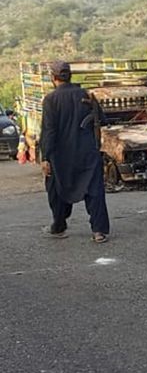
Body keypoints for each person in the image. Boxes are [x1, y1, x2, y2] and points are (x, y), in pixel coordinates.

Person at [40, 60, 110, 243]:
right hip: (87, 151)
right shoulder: (85, 94)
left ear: (53, 77)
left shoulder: (50, 100)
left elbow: (49, 131)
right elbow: (102, 120)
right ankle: (98, 231)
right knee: (94, 190)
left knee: (55, 187)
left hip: (61, 155)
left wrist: (45, 157)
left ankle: (59, 226)